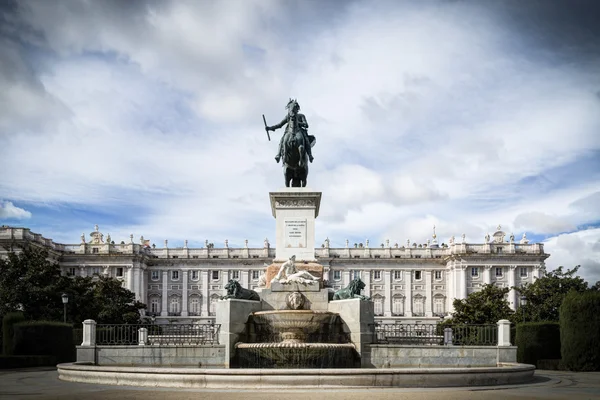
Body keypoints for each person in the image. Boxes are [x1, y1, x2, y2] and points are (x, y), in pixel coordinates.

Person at [267, 99, 314, 164]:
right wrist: (270, 128)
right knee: (282, 140)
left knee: (306, 139)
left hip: (300, 131)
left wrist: (297, 123)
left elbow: (306, 125)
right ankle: (278, 155)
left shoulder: (301, 116)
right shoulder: (288, 117)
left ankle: (310, 155)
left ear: (297, 108)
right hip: (288, 131)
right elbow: (279, 125)